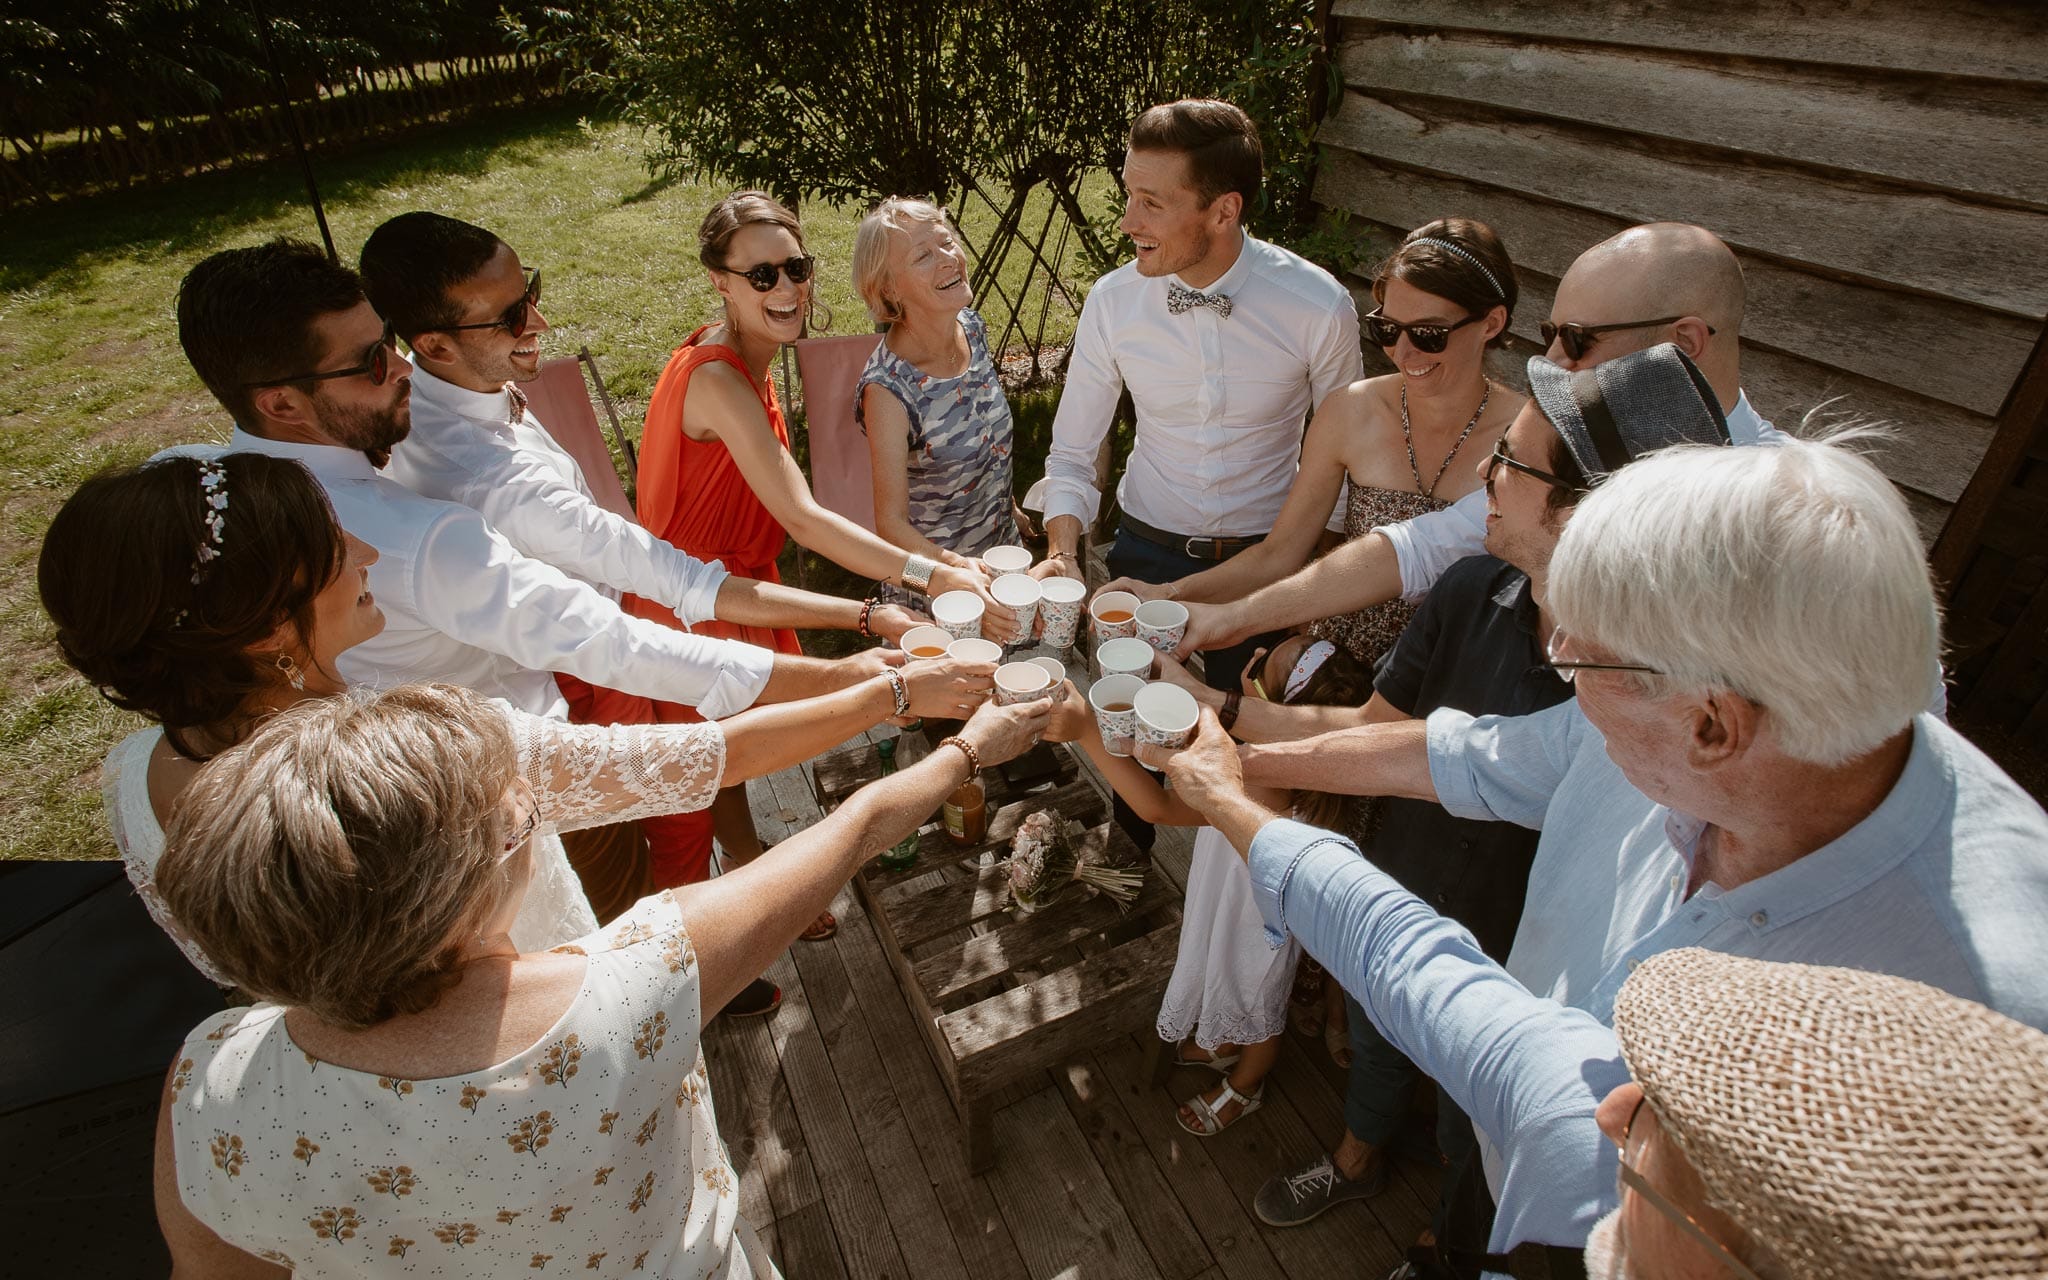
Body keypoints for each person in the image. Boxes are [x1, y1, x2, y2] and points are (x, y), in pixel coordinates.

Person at [152, 683, 1052, 1277]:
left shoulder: (208, 1081)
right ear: (449, 911)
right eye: (518, 824)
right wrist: (970, 750)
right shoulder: (634, 989)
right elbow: (852, 832)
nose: (530, 820)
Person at [1131, 704, 2048, 1277]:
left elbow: (1408, 962)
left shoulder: (1579, 1160)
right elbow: (1403, 954)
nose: (1614, 1101)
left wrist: (1227, 797)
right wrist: (1238, 779)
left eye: (1669, 1118)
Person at [38, 455, 994, 997]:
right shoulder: (418, 756)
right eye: (336, 550)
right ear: (264, 631)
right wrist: (888, 695)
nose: (369, 549)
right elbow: (700, 759)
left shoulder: (134, 779)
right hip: (547, 1040)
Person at [1234, 428, 2048, 1040]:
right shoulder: (1742, 735)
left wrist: (1248, 822)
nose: (1559, 675)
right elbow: (1460, 754)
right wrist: (1245, 762)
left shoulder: (1967, 1020)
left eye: (1580, 665)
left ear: (1711, 725)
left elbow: (1546, 1085)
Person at [1233, 345, 1725, 1256]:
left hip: (1542, 1091)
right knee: (1384, 1043)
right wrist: (1235, 743)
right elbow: (1443, 751)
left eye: (1514, 462)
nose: (1486, 478)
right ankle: (1361, 1161)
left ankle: (1442, 1240)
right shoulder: (1492, 608)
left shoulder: (1695, 780)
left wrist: (1231, 797)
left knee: (1474, 1144)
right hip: (1422, 896)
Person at [360, 211, 929, 931]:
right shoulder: (492, 481)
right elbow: (677, 584)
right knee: (663, 843)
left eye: (528, 289)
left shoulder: (464, 386)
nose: (539, 318)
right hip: (589, 670)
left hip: (625, 627)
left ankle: (726, 906)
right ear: (434, 343)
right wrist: (872, 625)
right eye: (510, 315)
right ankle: (695, 973)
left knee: (702, 790)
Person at [627, 191, 1012, 891]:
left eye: (795, 269)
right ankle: (709, 957)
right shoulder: (717, 379)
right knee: (695, 789)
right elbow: (804, 518)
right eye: (761, 276)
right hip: (692, 597)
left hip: (734, 586)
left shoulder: (744, 352)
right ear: (721, 282)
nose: (786, 289)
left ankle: (747, 869)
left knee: (728, 764)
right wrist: (932, 575)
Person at [1173, 222, 1782, 662]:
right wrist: (1232, 620)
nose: (1552, 361)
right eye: (1550, 334)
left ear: (1686, 342)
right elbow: (1421, 546)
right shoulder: (1572, 440)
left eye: (1577, 339)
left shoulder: (1790, 512)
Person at [1032, 98, 1362, 691]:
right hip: (1144, 551)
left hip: (1268, 565)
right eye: (1130, 195)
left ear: (1224, 211)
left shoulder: (1319, 306)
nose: (1129, 221)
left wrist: (1316, 580)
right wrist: (1061, 548)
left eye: (1152, 203)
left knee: (1247, 748)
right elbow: (1074, 451)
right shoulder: (1112, 302)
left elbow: (1344, 461)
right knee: (1131, 740)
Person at [1100, 218, 1521, 669]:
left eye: (1428, 334)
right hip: (1333, 664)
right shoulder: (1350, 411)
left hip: (1459, 671)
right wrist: (1166, 594)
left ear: (1491, 323)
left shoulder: (1528, 437)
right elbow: (1280, 553)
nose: (1403, 353)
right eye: (1388, 330)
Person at [1047, 634, 1370, 1135]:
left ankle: (1247, 1082)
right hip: (1236, 896)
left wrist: (1088, 729)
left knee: (1257, 992)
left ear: (1275, 712)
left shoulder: (1259, 780)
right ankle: (1223, 1039)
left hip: (1254, 915)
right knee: (1228, 972)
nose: (1256, 656)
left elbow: (1157, 808)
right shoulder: (1301, 766)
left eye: (1264, 669)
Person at [853, 197, 1020, 593]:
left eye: (946, 243)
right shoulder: (889, 389)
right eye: (923, 256)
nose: (948, 259)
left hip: (1003, 566)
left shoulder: (971, 328)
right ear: (889, 288)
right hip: (938, 590)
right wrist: (952, 569)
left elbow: (983, 430)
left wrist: (1006, 506)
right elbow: (890, 527)